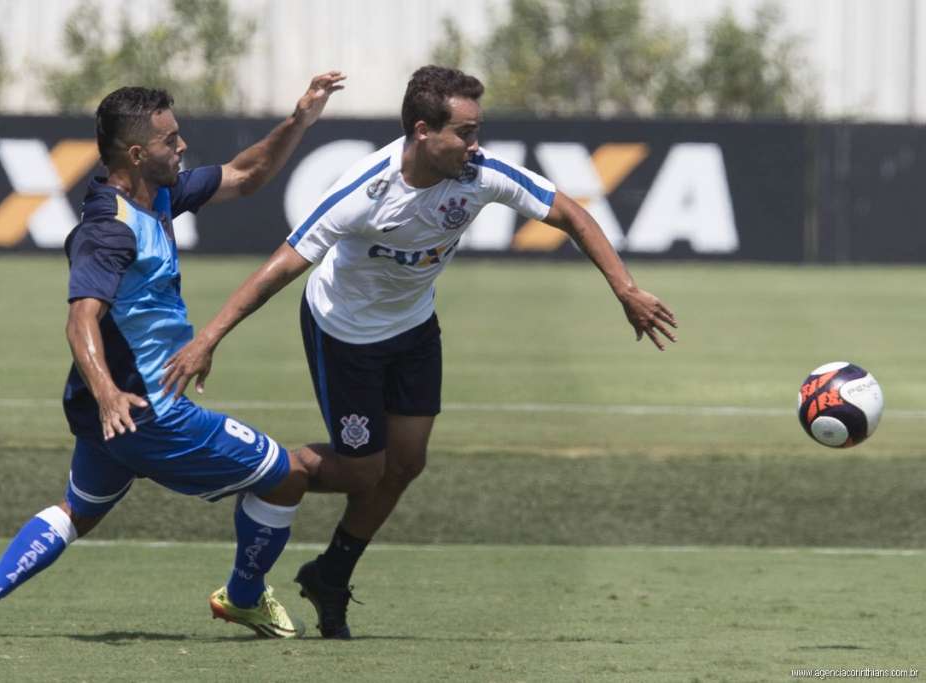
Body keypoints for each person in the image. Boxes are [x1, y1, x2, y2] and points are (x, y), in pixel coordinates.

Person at [160, 65, 678, 639]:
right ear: (424, 131)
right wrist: (209, 338)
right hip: (344, 335)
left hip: (413, 330)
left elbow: (570, 213)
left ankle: (331, 574)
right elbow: (282, 266)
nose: (475, 145)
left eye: (477, 131)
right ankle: (272, 471)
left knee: (405, 464)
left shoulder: (480, 173)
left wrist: (626, 290)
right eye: (466, 132)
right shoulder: (366, 190)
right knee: (364, 471)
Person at [0, 71, 346, 640]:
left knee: (76, 513)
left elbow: (247, 175)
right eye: (171, 139)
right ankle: (243, 596)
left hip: (111, 416)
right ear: (138, 154)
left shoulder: (160, 193)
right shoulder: (109, 229)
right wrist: (108, 393)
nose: (183, 146)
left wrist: (300, 119)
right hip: (148, 410)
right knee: (286, 477)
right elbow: (80, 319)